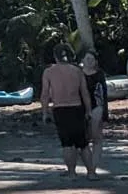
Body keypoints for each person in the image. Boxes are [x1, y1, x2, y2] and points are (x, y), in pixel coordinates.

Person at [41, 44, 94, 177]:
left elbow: (45, 94)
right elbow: (85, 93)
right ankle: (91, 173)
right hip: (76, 107)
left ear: (55, 56)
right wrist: (88, 111)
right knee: (83, 143)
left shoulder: (49, 72)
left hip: (60, 109)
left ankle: (71, 173)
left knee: (67, 144)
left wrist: (45, 112)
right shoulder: (77, 71)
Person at [81, 51, 109, 175]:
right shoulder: (78, 74)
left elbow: (104, 94)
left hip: (97, 106)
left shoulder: (100, 74)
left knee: (97, 138)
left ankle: (93, 167)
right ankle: (89, 166)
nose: (89, 61)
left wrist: (105, 114)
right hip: (80, 108)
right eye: (87, 59)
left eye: (92, 59)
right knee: (83, 139)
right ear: (82, 60)